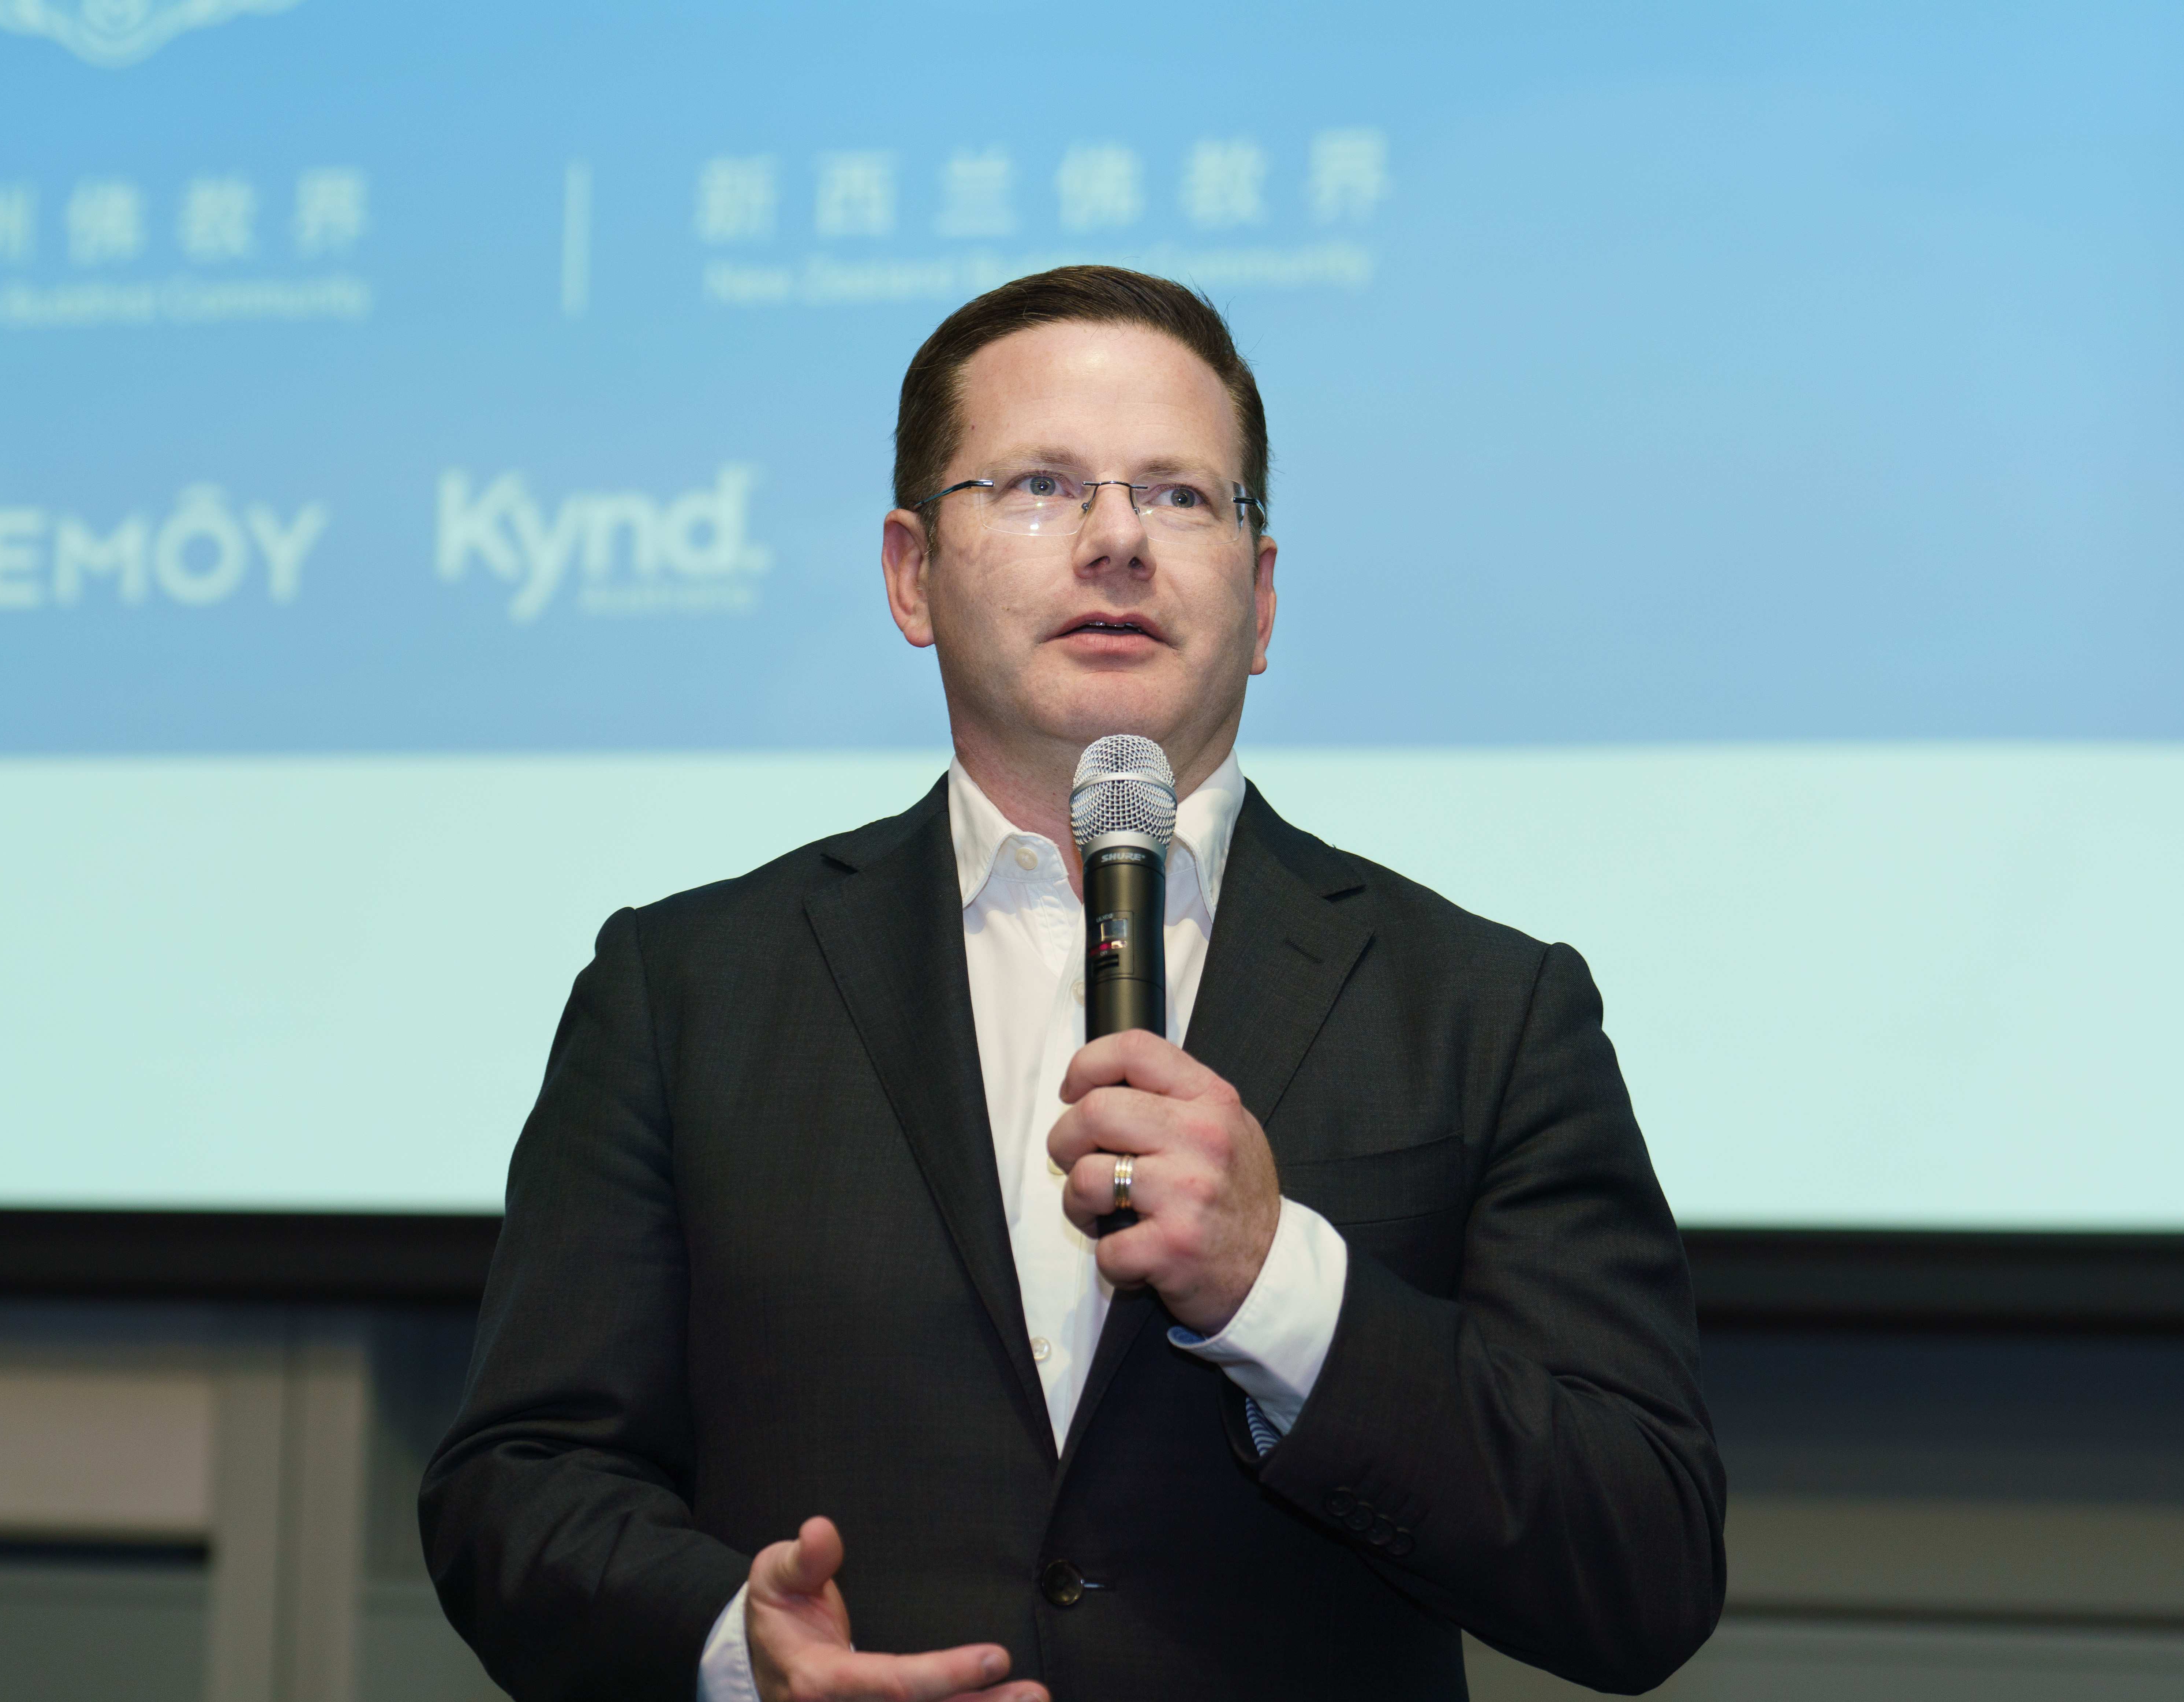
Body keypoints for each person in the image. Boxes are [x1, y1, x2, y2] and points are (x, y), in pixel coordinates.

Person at [421, 266, 1724, 1702]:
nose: (1115, 538)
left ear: (1262, 596)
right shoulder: (687, 990)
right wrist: (743, 1650)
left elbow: (1645, 1563)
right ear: (911, 573)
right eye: (1041, 485)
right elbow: (518, 1488)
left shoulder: (1485, 1009)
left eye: (1178, 495)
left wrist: (1276, 1283)